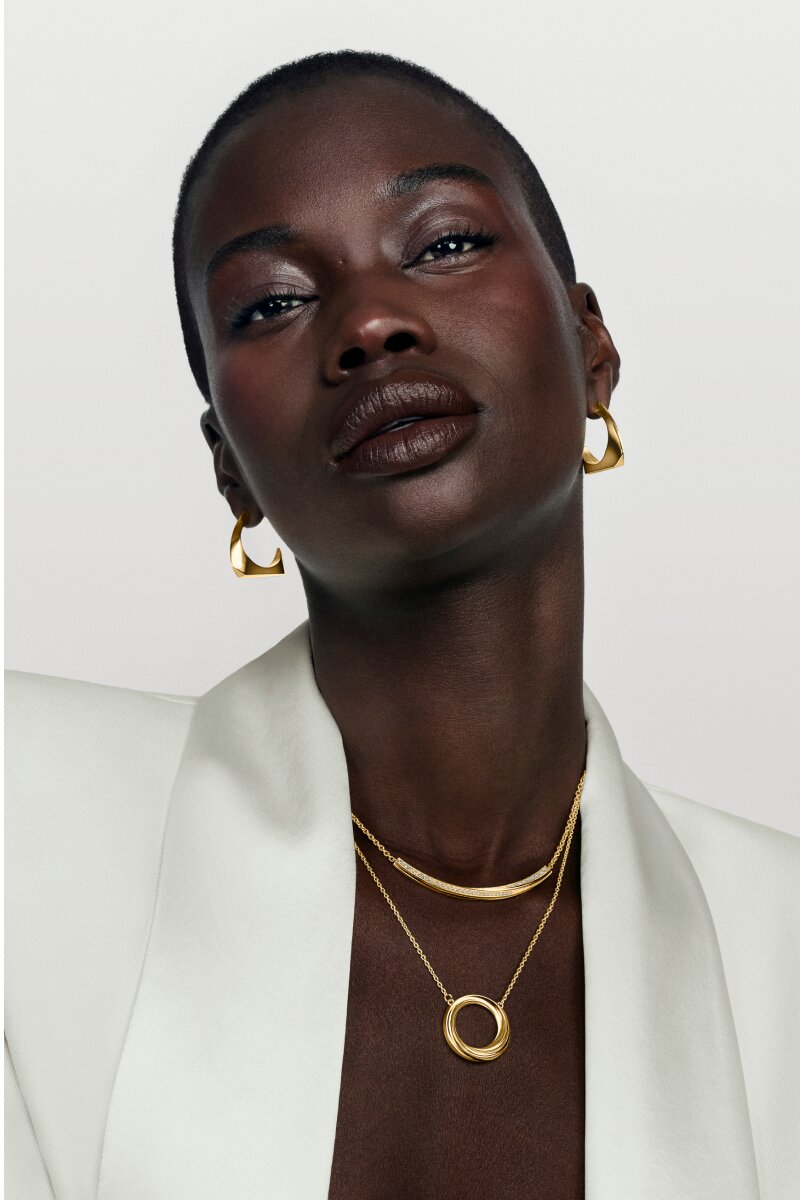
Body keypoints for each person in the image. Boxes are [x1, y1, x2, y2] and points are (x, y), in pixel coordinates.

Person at [5, 50, 798, 1200]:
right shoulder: (15, 829)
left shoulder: (778, 951)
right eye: (273, 301)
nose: (370, 322)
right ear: (231, 470)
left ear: (591, 350)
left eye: (443, 244)